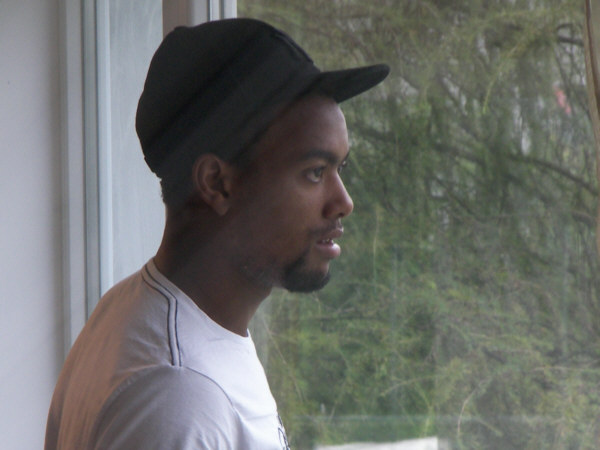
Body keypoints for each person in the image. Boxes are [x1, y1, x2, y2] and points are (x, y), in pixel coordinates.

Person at [45, 18, 389, 449]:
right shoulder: (177, 395)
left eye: (341, 168)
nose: (343, 202)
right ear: (217, 184)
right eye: (315, 172)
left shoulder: (140, 313)